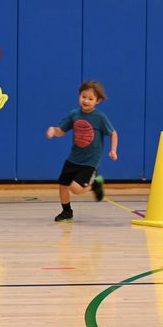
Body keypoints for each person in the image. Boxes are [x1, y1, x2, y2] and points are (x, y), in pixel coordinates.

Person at [46, 80, 118, 222]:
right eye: (84, 97)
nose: (86, 101)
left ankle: (95, 185)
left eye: (91, 99)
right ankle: (67, 212)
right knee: (63, 186)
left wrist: (113, 150)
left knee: (76, 188)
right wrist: (53, 130)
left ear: (97, 101)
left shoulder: (100, 117)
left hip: (90, 160)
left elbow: (113, 133)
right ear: (79, 96)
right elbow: (62, 131)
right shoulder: (74, 114)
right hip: (74, 158)